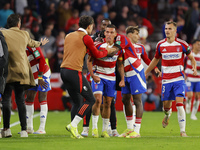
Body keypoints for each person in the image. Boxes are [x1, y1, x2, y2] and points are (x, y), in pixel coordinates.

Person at [60, 15, 119, 139]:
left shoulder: (69, 35)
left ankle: (74, 131)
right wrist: (107, 52)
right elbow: (96, 54)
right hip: (74, 71)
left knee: (77, 101)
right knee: (91, 100)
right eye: (92, 26)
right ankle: (73, 125)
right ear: (89, 26)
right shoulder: (86, 37)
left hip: (63, 71)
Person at [145, 21, 197, 137]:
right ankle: (167, 115)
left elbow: (192, 58)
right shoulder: (160, 45)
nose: (167, 31)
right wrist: (146, 71)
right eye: (166, 29)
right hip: (166, 79)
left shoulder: (182, 44)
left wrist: (194, 68)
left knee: (179, 104)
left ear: (175, 31)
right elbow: (155, 60)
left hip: (178, 78)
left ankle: (183, 131)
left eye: (169, 29)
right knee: (166, 106)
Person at [1, 14, 49, 138]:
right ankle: (25, 130)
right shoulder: (24, 35)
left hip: (12, 72)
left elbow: (42, 61)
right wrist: (41, 43)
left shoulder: (3, 33)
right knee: (22, 100)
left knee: (7, 100)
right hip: (23, 72)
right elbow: (33, 43)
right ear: (18, 24)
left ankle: (7, 129)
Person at [81, 18, 119, 137]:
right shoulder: (96, 43)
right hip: (99, 75)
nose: (108, 34)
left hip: (111, 77)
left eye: (111, 32)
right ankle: (94, 129)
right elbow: (89, 60)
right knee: (96, 100)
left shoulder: (119, 47)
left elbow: (121, 63)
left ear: (115, 34)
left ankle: (105, 130)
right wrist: (92, 75)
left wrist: (122, 78)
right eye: (107, 31)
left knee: (108, 103)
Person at [115, 30, 146, 139]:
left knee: (137, 100)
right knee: (125, 99)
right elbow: (120, 63)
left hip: (135, 71)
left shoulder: (123, 39)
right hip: (127, 74)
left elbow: (115, 50)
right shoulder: (118, 43)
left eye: (111, 32)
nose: (108, 35)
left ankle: (136, 131)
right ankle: (129, 128)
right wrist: (122, 79)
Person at [126, 26, 161, 112]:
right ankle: (130, 119)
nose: (138, 37)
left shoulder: (140, 47)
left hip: (138, 74)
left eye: (139, 34)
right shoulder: (124, 47)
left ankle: (134, 120)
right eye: (137, 34)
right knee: (126, 99)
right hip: (126, 74)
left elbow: (147, 59)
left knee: (136, 98)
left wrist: (155, 67)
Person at [25, 46, 51, 134]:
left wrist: (40, 77)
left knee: (42, 98)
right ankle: (29, 128)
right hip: (32, 75)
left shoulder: (32, 46)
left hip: (43, 74)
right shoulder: (18, 46)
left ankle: (42, 128)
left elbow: (42, 59)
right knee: (29, 98)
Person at [185, 39, 200, 120]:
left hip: (198, 79)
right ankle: (188, 102)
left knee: (197, 97)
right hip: (189, 78)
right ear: (193, 45)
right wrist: (183, 72)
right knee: (190, 95)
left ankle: (193, 114)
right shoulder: (188, 54)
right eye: (198, 44)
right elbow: (182, 62)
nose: (199, 46)